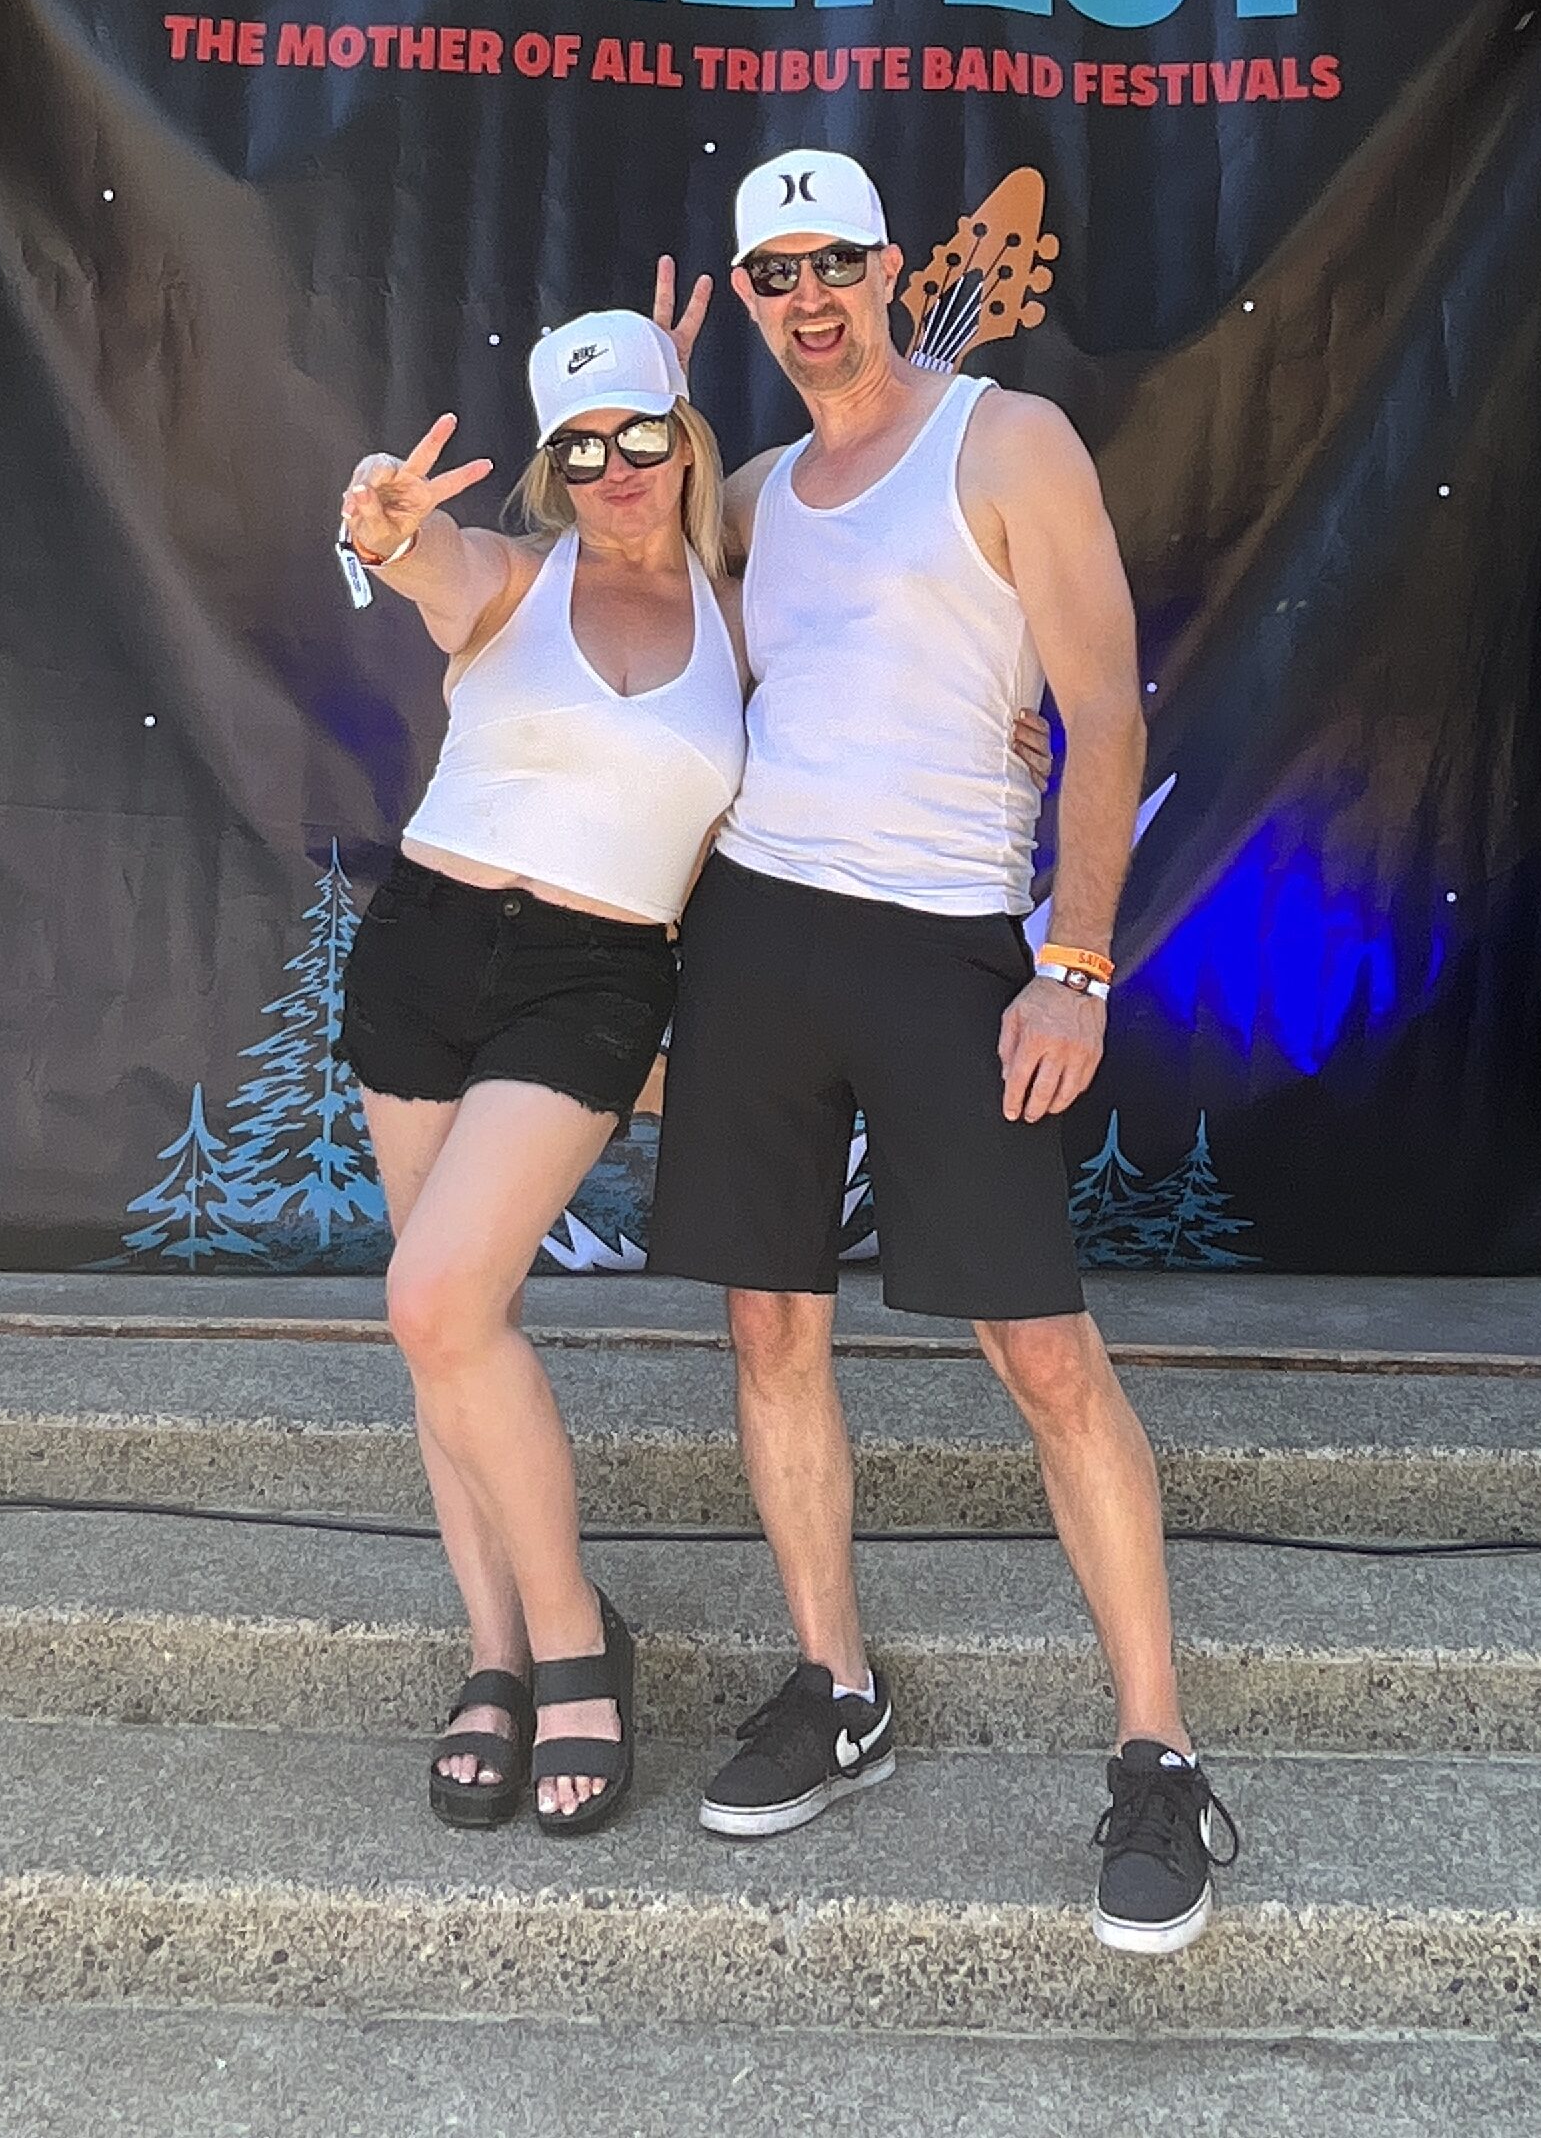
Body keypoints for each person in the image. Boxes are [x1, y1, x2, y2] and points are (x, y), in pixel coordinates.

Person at [647, 148, 1239, 1957]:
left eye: (832, 260)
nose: (806, 296)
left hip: (950, 947)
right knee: (769, 1330)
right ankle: (837, 1688)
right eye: (772, 273)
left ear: (892, 267)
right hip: (759, 935)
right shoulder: (755, 492)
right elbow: (642, 636)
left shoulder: (1008, 441)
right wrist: (648, 422)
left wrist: (1076, 966)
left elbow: (1106, 709)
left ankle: (1159, 1756)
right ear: (751, 303)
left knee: (1042, 1354)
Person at [335, 309, 746, 1836]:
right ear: (554, 470)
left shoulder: (747, 617)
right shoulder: (512, 579)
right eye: (581, 447)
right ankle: (496, 1654)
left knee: (438, 1298)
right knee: (448, 1327)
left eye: (641, 435)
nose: (615, 469)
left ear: (686, 439)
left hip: (598, 975)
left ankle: (575, 1635)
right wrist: (383, 522)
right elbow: (422, 556)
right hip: (427, 947)